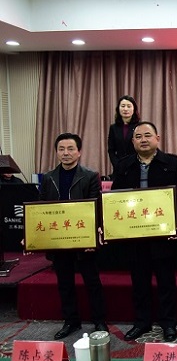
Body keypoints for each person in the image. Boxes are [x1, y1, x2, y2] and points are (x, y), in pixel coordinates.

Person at [111, 121, 177, 342]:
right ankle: (142, 322)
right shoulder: (124, 165)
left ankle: (168, 323)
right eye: (138, 137)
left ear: (157, 138)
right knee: (139, 282)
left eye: (147, 135)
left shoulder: (173, 163)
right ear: (133, 141)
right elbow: (114, 199)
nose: (143, 140)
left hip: (163, 235)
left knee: (166, 282)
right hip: (135, 236)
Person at [40, 133, 107, 340]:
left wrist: (92, 236)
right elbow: (40, 209)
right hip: (58, 240)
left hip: (83, 238)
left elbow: (96, 207)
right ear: (56, 152)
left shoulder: (90, 176)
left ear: (79, 152)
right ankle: (71, 321)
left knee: (92, 281)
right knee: (64, 282)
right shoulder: (48, 177)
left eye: (70, 149)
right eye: (61, 149)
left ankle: (99, 320)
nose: (66, 153)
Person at [107, 95, 140, 175]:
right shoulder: (113, 128)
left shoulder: (139, 126)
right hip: (119, 168)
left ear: (134, 109)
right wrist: (117, 164)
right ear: (118, 108)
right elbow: (111, 150)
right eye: (123, 106)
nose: (125, 109)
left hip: (136, 167)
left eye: (129, 106)